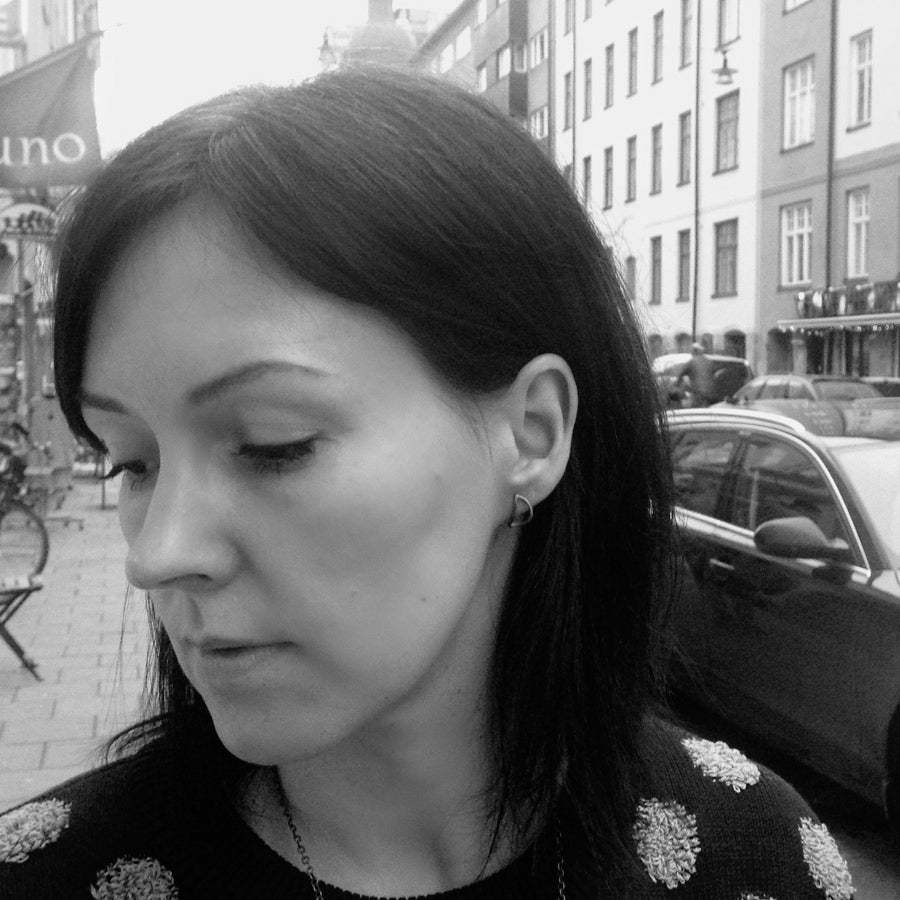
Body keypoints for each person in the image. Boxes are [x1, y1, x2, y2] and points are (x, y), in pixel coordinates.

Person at [0, 66, 853, 899]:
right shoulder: (51, 875)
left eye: (273, 444)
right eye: (132, 461)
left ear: (532, 433)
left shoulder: (755, 857)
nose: (157, 554)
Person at [677, 343, 717, 407]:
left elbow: (681, 373)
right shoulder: (709, 361)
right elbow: (714, 374)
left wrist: (677, 384)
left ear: (694, 351)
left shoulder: (691, 362)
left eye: (692, 351)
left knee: (695, 408)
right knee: (706, 407)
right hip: (710, 392)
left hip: (697, 392)